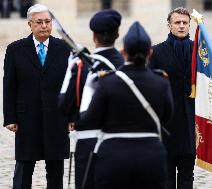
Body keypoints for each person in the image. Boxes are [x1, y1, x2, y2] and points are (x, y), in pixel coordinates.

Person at [80, 21, 173, 189]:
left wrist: (88, 88)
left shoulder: (107, 82)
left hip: (114, 157)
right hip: (151, 157)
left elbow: (89, 120)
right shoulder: (161, 82)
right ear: (150, 53)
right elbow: (167, 117)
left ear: (123, 53)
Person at [3, 4, 70, 189]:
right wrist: (10, 117)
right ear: (30, 24)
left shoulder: (63, 48)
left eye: (47, 22)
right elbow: (9, 85)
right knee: (24, 169)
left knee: (56, 169)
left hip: (57, 118)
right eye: (39, 22)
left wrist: (72, 116)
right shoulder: (15, 50)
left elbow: (70, 85)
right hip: (27, 118)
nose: (44, 26)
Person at [58, 9, 124, 189]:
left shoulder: (82, 67)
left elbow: (64, 105)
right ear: (117, 34)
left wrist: (70, 68)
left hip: (89, 145)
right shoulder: (126, 65)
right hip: (120, 145)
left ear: (94, 35)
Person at [148, 7, 195, 189]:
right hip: (166, 124)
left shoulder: (199, 52)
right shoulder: (156, 52)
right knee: (166, 177)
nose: (181, 26)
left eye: (185, 23)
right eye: (177, 22)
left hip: (190, 125)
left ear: (189, 25)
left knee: (187, 175)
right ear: (169, 25)